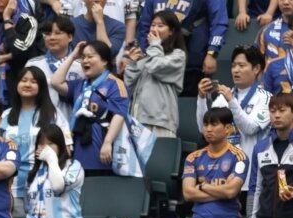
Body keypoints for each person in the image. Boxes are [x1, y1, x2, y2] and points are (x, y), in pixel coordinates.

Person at [196, 45, 270, 216]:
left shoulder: (265, 98)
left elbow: (250, 128)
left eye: (242, 66)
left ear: (256, 68)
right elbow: (204, 130)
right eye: (233, 65)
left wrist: (231, 100)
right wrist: (201, 99)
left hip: (252, 178)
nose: (236, 70)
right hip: (223, 177)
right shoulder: (222, 98)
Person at [0, 66, 69, 216]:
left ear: (42, 87)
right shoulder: (5, 116)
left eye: (33, 81)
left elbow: (67, 148)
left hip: (44, 185)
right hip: (12, 187)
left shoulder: (54, 114)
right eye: (23, 80)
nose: (27, 84)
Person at [52, 40, 127, 176]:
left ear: (104, 61)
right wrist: (73, 56)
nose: (85, 61)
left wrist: (108, 143)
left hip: (102, 150)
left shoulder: (115, 83)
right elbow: (55, 82)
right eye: (83, 57)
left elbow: (119, 115)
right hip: (79, 151)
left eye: (90, 56)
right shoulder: (79, 85)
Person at [137, 0, 227, 97]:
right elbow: (144, 26)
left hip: (193, 60)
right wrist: (145, 51)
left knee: (189, 104)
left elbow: (219, 20)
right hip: (158, 59)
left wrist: (212, 53)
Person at [181, 107, 249, 218]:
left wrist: (202, 186)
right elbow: (188, 193)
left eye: (214, 124)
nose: (208, 129)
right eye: (206, 125)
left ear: (227, 128)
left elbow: (230, 192)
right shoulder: (193, 157)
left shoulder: (239, 157)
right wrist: (221, 192)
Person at [124, 10, 185, 138]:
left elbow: (156, 66)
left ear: (171, 31)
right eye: (153, 25)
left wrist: (155, 45)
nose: (154, 29)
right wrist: (132, 64)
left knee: (160, 158)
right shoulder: (148, 55)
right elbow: (128, 84)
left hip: (161, 122)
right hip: (138, 121)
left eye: (160, 26)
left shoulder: (178, 55)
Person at [25, 123, 85, 218]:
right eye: (41, 144)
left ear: (59, 145)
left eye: (51, 143)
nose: (46, 148)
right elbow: (27, 208)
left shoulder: (73, 166)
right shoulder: (32, 174)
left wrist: (51, 159)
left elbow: (58, 187)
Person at [25, 15, 83, 122]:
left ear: (70, 37)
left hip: (74, 125)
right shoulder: (34, 64)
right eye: (47, 34)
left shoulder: (82, 66)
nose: (52, 37)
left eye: (58, 33)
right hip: (40, 123)